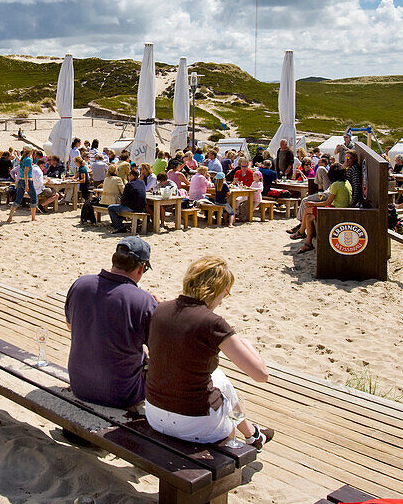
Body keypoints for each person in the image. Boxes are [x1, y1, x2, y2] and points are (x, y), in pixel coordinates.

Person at [145, 257, 272, 448]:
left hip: (155, 415)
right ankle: (243, 440)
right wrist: (248, 345)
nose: (222, 301)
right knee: (225, 390)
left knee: (219, 381)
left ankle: (252, 434)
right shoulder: (212, 323)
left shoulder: (160, 309)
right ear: (215, 290)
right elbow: (261, 375)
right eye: (224, 294)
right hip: (195, 424)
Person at [64, 237, 157, 409]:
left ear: (114, 260)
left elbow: (71, 326)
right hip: (122, 394)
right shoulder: (143, 300)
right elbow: (159, 349)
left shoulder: (80, 284)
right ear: (141, 268)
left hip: (80, 385)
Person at [293, 164, 351, 251]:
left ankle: (301, 233)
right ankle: (307, 242)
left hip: (335, 210)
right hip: (341, 209)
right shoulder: (346, 182)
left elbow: (327, 202)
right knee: (308, 217)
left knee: (307, 210)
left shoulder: (336, 185)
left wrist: (313, 204)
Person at [108, 167, 147, 233]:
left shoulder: (129, 185)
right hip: (142, 208)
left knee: (111, 208)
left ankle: (120, 227)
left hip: (132, 207)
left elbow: (123, 200)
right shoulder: (142, 183)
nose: (128, 177)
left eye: (128, 175)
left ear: (131, 175)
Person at [7, 147, 37, 223]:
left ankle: (10, 217)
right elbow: (26, 173)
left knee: (18, 199)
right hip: (27, 180)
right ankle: (33, 218)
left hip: (20, 180)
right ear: (30, 152)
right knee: (34, 198)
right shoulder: (28, 160)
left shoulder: (23, 159)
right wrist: (27, 184)